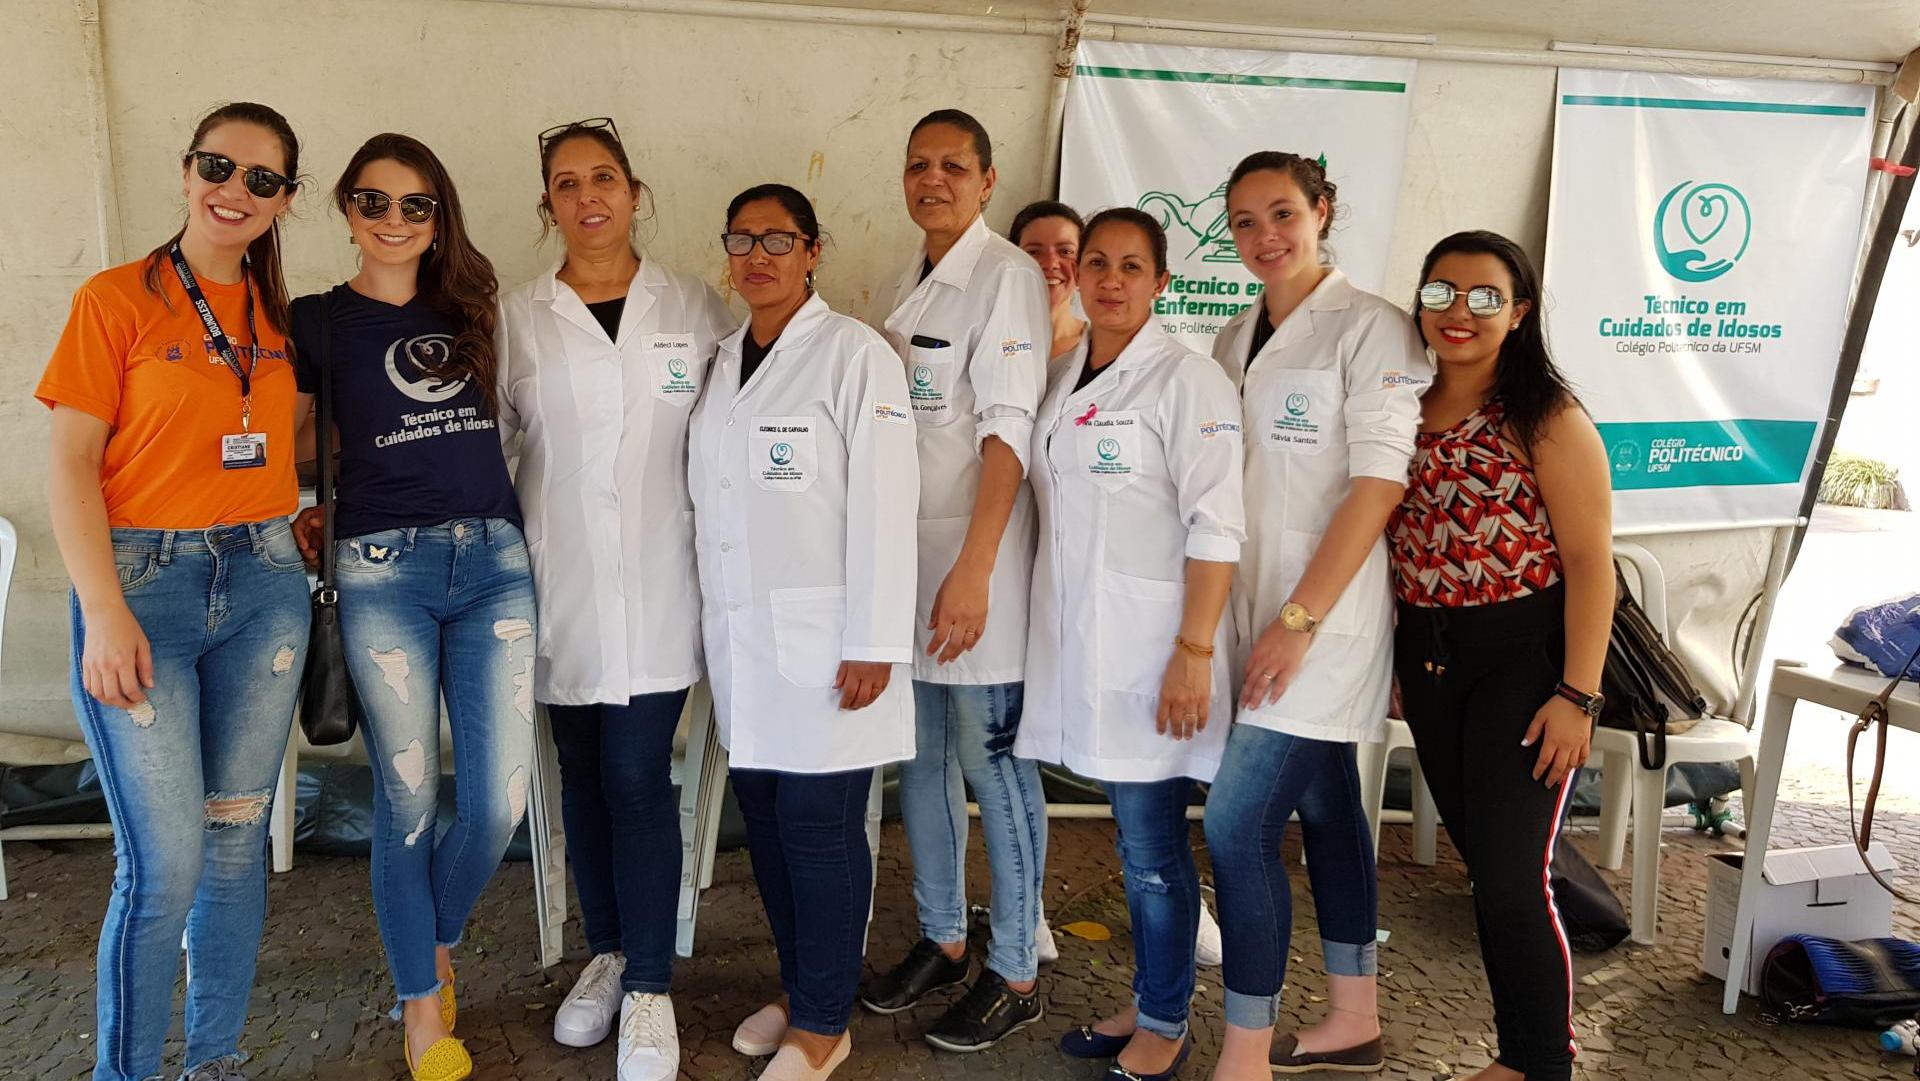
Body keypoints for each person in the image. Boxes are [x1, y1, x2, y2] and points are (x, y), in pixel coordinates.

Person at [38, 101, 309, 1081]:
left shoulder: (280, 319)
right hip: (141, 586)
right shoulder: (115, 299)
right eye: (218, 166)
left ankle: (215, 1060)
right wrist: (103, 612)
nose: (234, 191)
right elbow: (70, 463)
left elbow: (281, 441)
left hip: (265, 584)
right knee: (164, 864)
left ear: (285, 200)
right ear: (188, 171)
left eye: (261, 179)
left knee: (234, 844)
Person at [495, 117, 734, 1081]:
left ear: (634, 192)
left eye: (603, 177)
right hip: (560, 587)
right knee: (583, 778)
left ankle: (649, 989)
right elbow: (490, 449)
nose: (587, 196)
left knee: (637, 775)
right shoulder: (517, 316)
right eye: (566, 182)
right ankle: (605, 952)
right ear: (547, 203)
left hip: (666, 584)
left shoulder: (697, 305)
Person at [287, 133, 530, 1081]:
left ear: (439, 218)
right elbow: (290, 443)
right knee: (408, 796)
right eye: (374, 201)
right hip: (382, 570)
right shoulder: (315, 320)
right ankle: (422, 1005)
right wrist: (303, 504)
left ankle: (432, 941)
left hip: (496, 562)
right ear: (346, 208)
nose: (394, 220)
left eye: (415, 205)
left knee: (500, 801)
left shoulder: (472, 306)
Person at [1198, 151, 1431, 1079]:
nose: (1266, 236)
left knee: (1236, 825)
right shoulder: (1231, 336)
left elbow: (1379, 484)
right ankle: (1354, 1017)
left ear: (1323, 211)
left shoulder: (1373, 328)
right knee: (1331, 807)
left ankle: (1244, 1054)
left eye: (1283, 213)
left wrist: (1298, 621)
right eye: (1245, 221)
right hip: (1252, 606)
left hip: (1322, 622)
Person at [689, 183, 920, 1081]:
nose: (758, 256)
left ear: (814, 251)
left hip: (832, 644)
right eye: (742, 239)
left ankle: (826, 1025)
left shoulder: (856, 355)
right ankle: (801, 990)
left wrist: (875, 638)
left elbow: (887, 503)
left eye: (778, 239)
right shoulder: (720, 359)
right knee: (771, 824)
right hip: (747, 644)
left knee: (821, 828)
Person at [1017, 208, 1245, 1081]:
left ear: (1162, 282)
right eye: (1097, 264)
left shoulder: (1189, 381)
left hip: (1155, 648)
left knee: (1151, 848)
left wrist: (1194, 650)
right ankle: (1153, 997)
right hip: (1086, 642)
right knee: (1135, 841)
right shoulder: (1065, 372)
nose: (1110, 280)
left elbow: (1217, 525)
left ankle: (1165, 1022)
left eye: (1131, 266)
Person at [1390, 230, 1612, 1081]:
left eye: (1485, 296)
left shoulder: (1545, 416)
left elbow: (1591, 563)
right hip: (1430, 661)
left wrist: (1577, 695)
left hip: (1525, 665)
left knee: (1516, 881)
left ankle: (1540, 1062)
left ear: (1518, 312)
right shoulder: (1397, 403)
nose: (1459, 311)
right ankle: (1524, 1057)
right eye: (1441, 291)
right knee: (1490, 870)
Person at [862, 109, 1054, 1052]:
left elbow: (1007, 429)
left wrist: (975, 569)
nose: (931, 179)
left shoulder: (1006, 278)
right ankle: (943, 936)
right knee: (924, 757)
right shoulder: (906, 280)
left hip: (978, 564)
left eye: (951, 165)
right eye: (917, 164)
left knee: (993, 760)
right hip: (914, 561)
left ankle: (1015, 968)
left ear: (986, 180)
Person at [1009, 199, 1087, 382]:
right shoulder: (990, 337)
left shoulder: (1101, 348)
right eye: (1034, 252)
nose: (1051, 263)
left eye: (1065, 251)